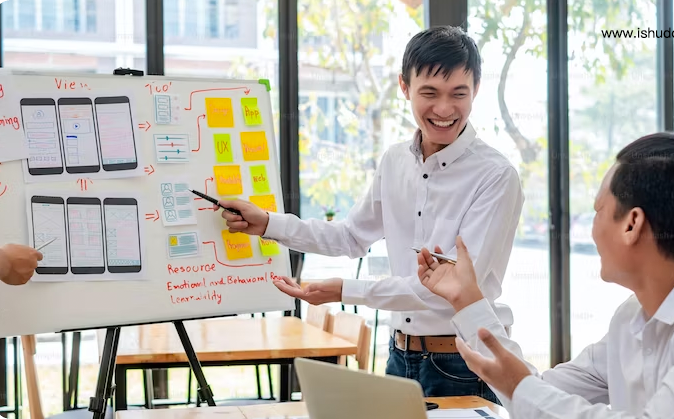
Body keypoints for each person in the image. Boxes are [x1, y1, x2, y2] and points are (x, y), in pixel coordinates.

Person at [215, 26, 524, 403]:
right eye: (429, 93)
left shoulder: (495, 176)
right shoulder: (395, 161)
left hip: (464, 362)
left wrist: (344, 290)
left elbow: (452, 290)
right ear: (404, 86)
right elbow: (350, 236)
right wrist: (267, 223)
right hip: (399, 354)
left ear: (476, 89)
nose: (444, 109)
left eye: (458, 94)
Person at [417, 130, 674, 417]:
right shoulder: (631, 318)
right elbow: (539, 395)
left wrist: (521, 387)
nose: (591, 230)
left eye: (599, 211)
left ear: (632, 224)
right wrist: (467, 299)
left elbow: (528, 392)